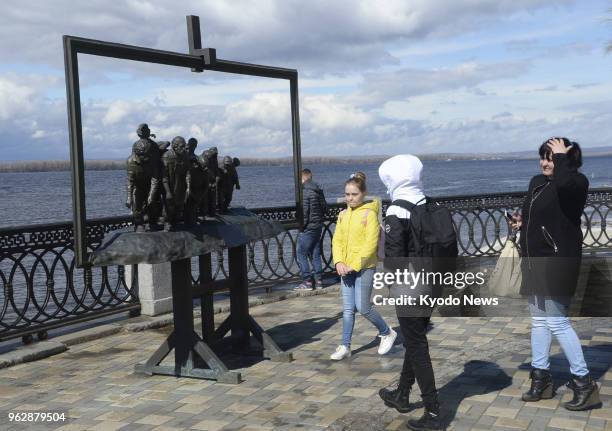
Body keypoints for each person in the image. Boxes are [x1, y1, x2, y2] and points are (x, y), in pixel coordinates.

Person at [511, 137, 601, 411]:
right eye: (544, 156)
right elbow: (537, 215)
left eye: (552, 157)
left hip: (558, 261)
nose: (545, 162)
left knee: (558, 322)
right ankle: (541, 380)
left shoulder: (577, 183)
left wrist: (563, 156)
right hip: (534, 261)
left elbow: (564, 185)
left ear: (566, 160)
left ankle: (585, 384)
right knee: (539, 321)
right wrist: (522, 223)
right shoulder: (537, 182)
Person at [377, 155, 442, 431]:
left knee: (416, 344)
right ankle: (402, 394)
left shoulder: (396, 211)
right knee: (416, 339)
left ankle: (434, 412)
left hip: (409, 286)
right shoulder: (427, 203)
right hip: (433, 280)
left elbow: (394, 261)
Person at [330, 172, 397, 360]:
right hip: (346, 268)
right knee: (348, 309)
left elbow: (369, 245)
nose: (350, 198)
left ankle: (387, 332)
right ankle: (345, 346)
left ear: (363, 194)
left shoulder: (370, 215)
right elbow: (337, 240)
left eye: (354, 194)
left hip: (365, 267)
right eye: (347, 194)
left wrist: (353, 264)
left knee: (363, 307)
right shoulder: (343, 215)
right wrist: (339, 262)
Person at [295, 169, 327, 290]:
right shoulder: (318, 190)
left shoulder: (304, 191)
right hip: (318, 226)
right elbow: (325, 208)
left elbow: (304, 212)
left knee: (301, 253)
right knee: (315, 253)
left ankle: (307, 281)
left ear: (302, 178)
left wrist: (301, 227)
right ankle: (319, 281)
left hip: (308, 228)